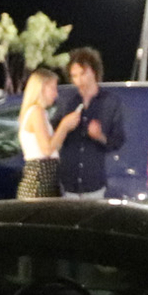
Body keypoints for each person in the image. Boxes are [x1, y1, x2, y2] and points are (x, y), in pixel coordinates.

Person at [52, 47, 123, 200]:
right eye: (74, 76)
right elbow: (53, 139)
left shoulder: (111, 102)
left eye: (83, 73)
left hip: (94, 185)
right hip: (68, 185)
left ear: (95, 72)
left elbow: (117, 141)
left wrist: (100, 136)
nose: (79, 80)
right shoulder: (67, 103)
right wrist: (64, 126)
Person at [16, 67, 61, 198]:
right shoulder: (36, 112)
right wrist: (65, 126)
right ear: (41, 88)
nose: (56, 94)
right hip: (39, 183)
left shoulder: (37, 112)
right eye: (53, 88)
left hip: (42, 182)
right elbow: (47, 149)